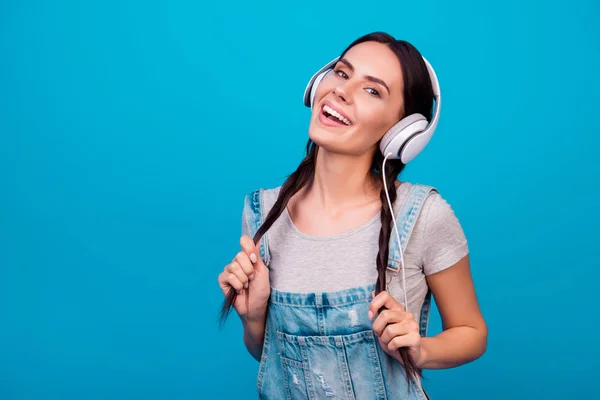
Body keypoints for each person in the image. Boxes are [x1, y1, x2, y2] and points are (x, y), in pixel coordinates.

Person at [217, 31, 488, 399]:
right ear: (317, 86)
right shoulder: (262, 215)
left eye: (372, 90)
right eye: (342, 74)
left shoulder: (423, 215)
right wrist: (252, 319)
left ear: (402, 133)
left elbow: (472, 332)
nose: (342, 91)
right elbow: (270, 358)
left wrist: (421, 349)